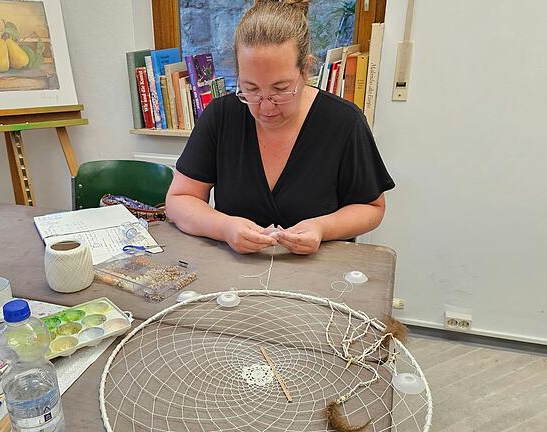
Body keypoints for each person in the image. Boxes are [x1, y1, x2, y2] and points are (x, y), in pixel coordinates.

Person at [165, 0, 394, 255]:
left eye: (280, 89)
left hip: (319, 277)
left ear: (306, 69)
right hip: (233, 280)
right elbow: (179, 201)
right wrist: (225, 227)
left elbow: (371, 208)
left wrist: (321, 227)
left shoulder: (345, 122)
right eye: (251, 89)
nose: (266, 108)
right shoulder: (221, 116)